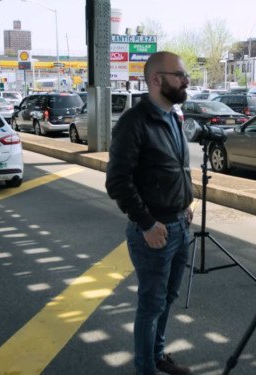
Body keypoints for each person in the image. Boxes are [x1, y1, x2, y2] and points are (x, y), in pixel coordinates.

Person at [105, 51, 194, 375]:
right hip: (155, 231)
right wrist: (146, 223)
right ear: (156, 79)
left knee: (167, 298)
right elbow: (117, 181)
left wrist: (186, 205)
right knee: (151, 305)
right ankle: (146, 369)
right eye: (180, 75)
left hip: (180, 225)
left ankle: (156, 357)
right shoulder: (134, 122)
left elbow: (175, 169)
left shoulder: (172, 116)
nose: (186, 81)